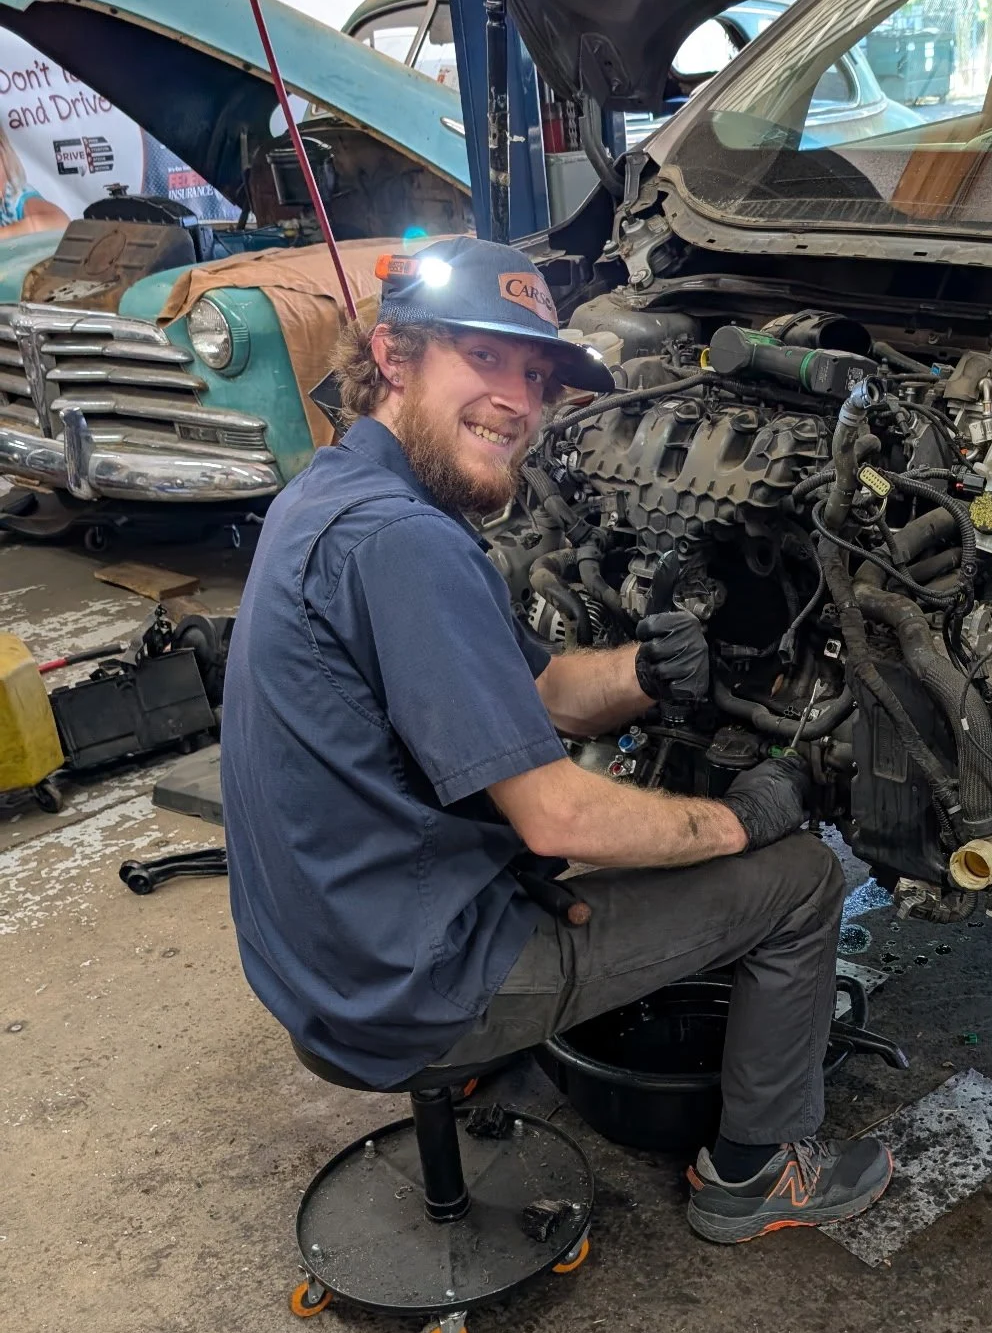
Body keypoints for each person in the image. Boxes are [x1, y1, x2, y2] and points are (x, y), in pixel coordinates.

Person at [220, 236, 892, 1244]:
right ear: (394, 357)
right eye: (482, 360)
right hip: (408, 985)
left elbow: (533, 691)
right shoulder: (406, 543)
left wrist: (647, 676)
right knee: (799, 882)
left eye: (533, 375)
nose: (517, 401)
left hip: (321, 959)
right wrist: (742, 817)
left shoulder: (333, 497)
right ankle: (755, 1175)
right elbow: (554, 815)